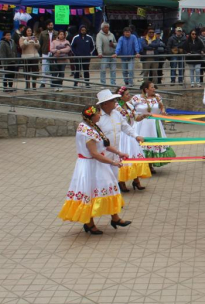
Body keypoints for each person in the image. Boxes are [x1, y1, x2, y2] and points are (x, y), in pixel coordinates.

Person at [58, 105, 131, 235]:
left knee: (110, 186)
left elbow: (105, 145)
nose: (100, 115)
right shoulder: (87, 132)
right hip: (89, 166)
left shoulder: (93, 127)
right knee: (89, 191)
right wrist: (113, 162)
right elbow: (94, 153)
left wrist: (119, 153)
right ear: (92, 116)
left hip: (97, 164)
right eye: (98, 113)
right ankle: (89, 223)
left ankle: (115, 218)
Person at [96, 89, 146, 191]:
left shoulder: (116, 114)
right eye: (112, 101)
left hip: (116, 152)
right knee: (103, 180)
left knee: (114, 179)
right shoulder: (98, 118)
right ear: (105, 104)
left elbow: (126, 127)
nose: (115, 102)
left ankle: (115, 201)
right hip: (103, 154)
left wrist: (136, 136)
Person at [131, 80, 176, 172]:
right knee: (142, 143)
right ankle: (141, 166)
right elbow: (130, 108)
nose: (154, 89)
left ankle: (150, 165)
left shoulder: (157, 97)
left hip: (155, 124)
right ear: (146, 89)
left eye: (154, 87)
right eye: (152, 87)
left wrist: (163, 111)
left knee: (152, 144)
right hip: (141, 123)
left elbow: (161, 107)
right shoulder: (136, 98)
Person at [115, 86, 152, 191]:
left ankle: (136, 180)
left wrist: (143, 116)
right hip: (122, 135)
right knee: (125, 158)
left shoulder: (130, 105)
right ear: (120, 96)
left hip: (131, 134)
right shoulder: (116, 107)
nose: (129, 95)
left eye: (129, 93)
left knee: (134, 156)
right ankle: (121, 181)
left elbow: (136, 118)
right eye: (126, 94)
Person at [20, 26, 40, 90]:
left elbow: (38, 47)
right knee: (27, 72)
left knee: (35, 72)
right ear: (25, 31)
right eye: (28, 31)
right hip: (26, 57)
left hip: (34, 57)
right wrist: (26, 40)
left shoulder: (34, 38)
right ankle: (27, 86)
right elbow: (22, 46)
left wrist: (36, 41)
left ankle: (34, 86)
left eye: (30, 31)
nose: (29, 32)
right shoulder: (22, 38)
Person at [38, 20, 55, 88]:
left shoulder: (56, 33)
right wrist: (40, 53)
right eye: (50, 25)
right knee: (44, 68)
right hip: (45, 52)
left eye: (52, 25)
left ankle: (52, 82)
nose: (51, 26)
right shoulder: (42, 33)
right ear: (47, 26)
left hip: (53, 53)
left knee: (52, 68)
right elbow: (40, 44)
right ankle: (43, 82)